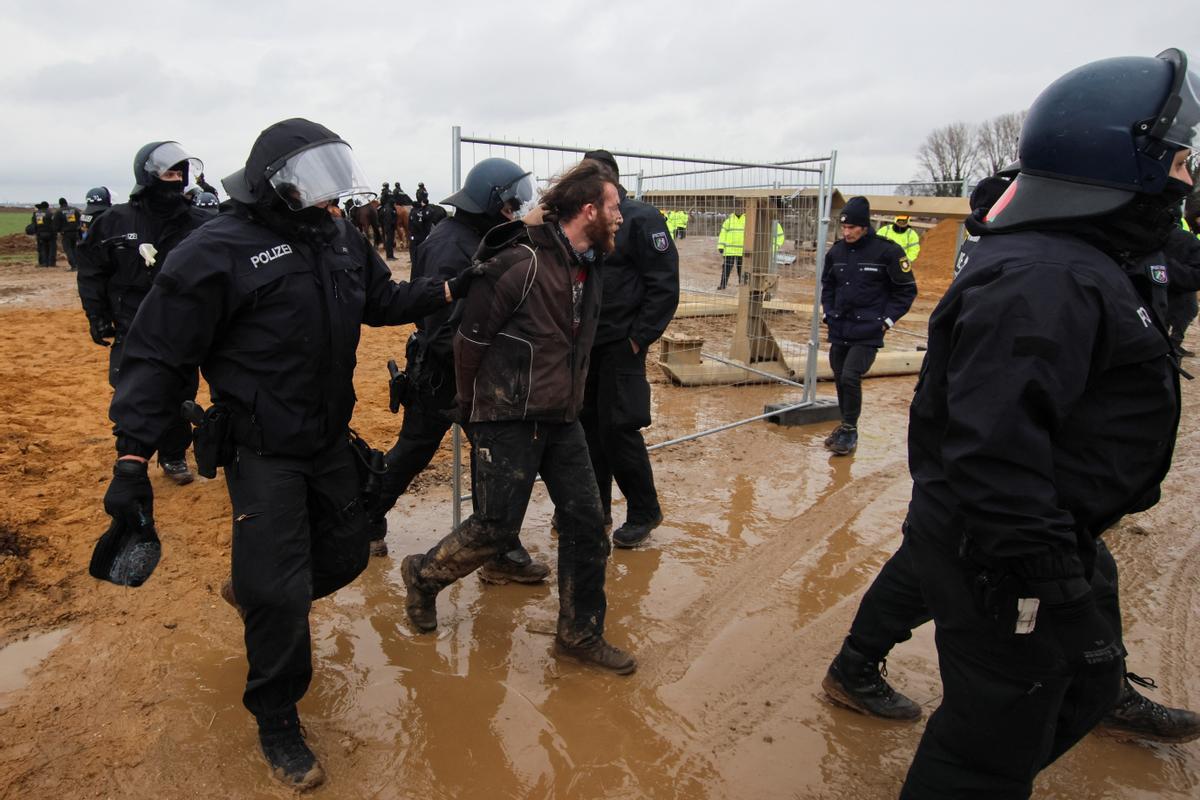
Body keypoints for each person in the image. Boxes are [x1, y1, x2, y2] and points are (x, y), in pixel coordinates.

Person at [839, 50, 1196, 799]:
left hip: (1039, 536)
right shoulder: (1046, 280)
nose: (1188, 180)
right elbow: (992, 460)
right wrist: (1055, 588)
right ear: (1125, 162)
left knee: (1072, 690)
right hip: (1006, 553)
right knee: (988, 745)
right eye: (1181, 161)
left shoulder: (1077, 262)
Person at [94, 117, 470, 791]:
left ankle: (257, 595)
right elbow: (156, 355)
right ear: (276, 183)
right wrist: (131, 460)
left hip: (328, 441)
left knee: (348, 553)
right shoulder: (218, 249)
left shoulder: (340, 237)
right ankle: (276, 716)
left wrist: (451, 288)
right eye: (317, 185)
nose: (331, 199)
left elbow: (380, 301)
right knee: (283, 593)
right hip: (261, 450)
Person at [399, 159, 638, 675]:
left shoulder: (590, 265)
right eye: (615, 207)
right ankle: (422, 575)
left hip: (561, 414)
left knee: (587, 521)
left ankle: (579, 633)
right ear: (589, 209)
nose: (622, 216)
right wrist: (472, 410)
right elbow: (469, 341)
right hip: (507, 414)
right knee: (494, 527)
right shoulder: (519, 263)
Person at [368, 157, 548, 585]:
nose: (518, 208)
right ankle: (365, 519)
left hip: (476, 373)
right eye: (511, 202)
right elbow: (440, 325)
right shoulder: (451, 243)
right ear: (491, 200)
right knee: (412, 453)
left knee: (494, 461)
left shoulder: (485, 235)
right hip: (444, 376)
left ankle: (499, 549)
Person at [76, 141, 211, 485]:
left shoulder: (199, 223)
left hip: (181, 326)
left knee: (180, 394)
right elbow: (92, 271)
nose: (176, 179)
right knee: (129, 391)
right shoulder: (115, 221)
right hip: (130, 324)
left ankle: (174, 454)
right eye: (169, 172)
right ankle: (131, 459)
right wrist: (97, 315)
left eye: (180, 173)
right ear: (148, 175)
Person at [579, 149, 679, 547]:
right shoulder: (586, 217)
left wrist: (639, 338)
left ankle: (644, 510)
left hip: (623, 343)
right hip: (588, 343)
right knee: (587, 427)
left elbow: (664, 285)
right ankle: (596, 507)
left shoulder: (641, 218)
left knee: (619, 427)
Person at [819, 196, 916, 456]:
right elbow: (828, 285)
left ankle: (850, 430)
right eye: (844, 227)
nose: (847, 232)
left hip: (868, 330)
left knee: (851, 375)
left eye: (852, 228)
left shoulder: (888, 252)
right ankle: (844, 424)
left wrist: (887, 321)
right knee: (839, 376)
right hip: (840, 326)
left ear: (864, 226)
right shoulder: (837, 252)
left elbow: (906, 291)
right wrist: (827, 312)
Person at [716, 206, 745, 289]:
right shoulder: (728, 221)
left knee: (742, 269)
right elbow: (723, 234)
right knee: (726, 268)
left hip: (742, 250)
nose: (739, 210)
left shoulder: (747, 220)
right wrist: (721, 246)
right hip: (730, 250)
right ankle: (723, 285)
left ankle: (742, 286)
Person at [54, 197, 82, 270]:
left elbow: (56, 224)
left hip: (66, 233)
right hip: (76, 232)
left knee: (68, 249)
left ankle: (73, 266)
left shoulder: (59, 212)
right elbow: (80, 220)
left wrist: (59, 231)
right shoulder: (75, 210)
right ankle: (78, 265)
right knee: (75, 248)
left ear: (60, 203)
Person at [30, 201, 57, 266]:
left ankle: (44, 263)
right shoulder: (51, 213)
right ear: (48, 206)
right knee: (52, 249)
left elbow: (34, 224)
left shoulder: (36, 214)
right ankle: (51, 263)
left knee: (42, 249)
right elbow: (54, 223)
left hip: (40, 234)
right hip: (51, 233)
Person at [379, 190, 398, 260]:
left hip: (390, 227)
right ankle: (389, 256)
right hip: (389, 227)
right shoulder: (388, 208)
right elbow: (389, 219)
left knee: (390, 241)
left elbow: (382, 200)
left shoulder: (389, 207)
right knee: (389, 241)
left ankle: (391, 255)